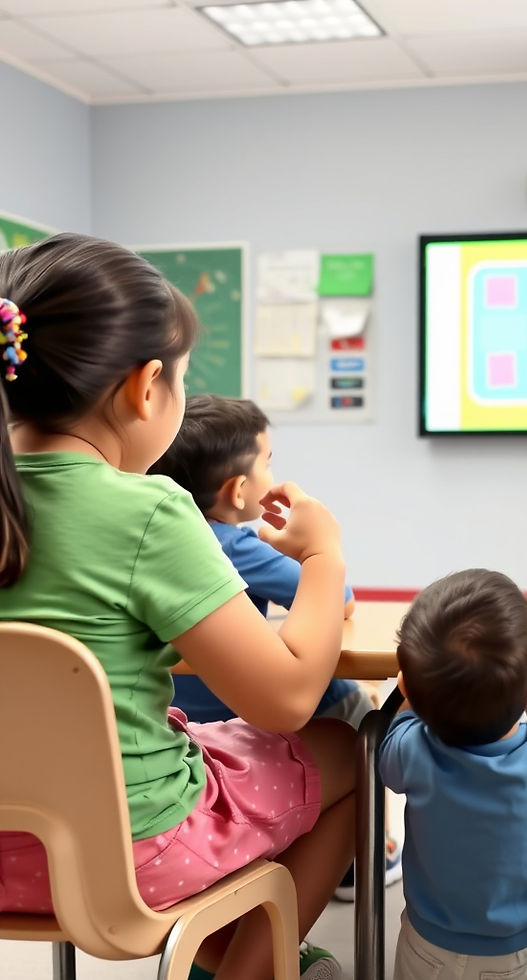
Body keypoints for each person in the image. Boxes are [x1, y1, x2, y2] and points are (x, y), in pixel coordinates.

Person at [0, 233, 356, 980]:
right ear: (144, 387)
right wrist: (323, 556)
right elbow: (287, 698)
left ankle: (231, 944)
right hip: (127, 862)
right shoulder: (147, 511)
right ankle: (249, 968)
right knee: (343, 751)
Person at [149, 393, 402, 898]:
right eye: (269, 462)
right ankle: (371, 851)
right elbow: (342, 600)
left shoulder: (160, 533)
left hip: (178, 716)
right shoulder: (235, 543)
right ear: (239, 489)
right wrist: (317, 548)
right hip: (245, 713)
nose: (272, 472)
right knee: (355, 704)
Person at [378, 569, 527, 980]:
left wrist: (411, 692)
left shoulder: (411, 750)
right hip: (513, 948)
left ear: (410, 689)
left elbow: (394, 736)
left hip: (427, 941)